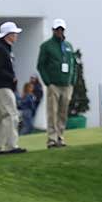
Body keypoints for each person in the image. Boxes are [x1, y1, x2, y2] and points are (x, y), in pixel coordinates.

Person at [37, 18, 77, 148]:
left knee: (63, 113)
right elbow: (41, 66)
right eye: (57, 29)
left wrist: (72, 80)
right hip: (54, 84)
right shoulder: (46, 46)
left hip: (67, 84)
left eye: (61, 29)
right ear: (53, 30)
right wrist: (48, 82)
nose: (60, 31)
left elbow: (74, 65)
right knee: (52, 112)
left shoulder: (68, 46)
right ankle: (52, 139)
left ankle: (60, 136)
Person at [0, 21, 25, 155]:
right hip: (3, 86)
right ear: (8, 35)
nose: (16, 36)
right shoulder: (1, 49)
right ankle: (11, 145)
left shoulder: (2, 48)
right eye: (14, 33)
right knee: (11, 115)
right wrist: (12, 77)